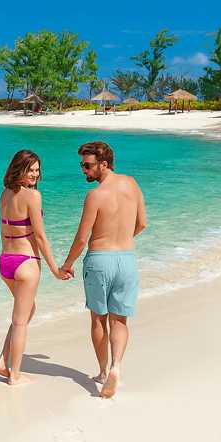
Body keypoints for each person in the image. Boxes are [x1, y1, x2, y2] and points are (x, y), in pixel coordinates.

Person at [59, 141, 145, 398]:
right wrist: (122, 239)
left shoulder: (95, 195)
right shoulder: (132, 184)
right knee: (120, 319)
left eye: (87, 166)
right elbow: (142, 223)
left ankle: (102, 371)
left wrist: (67, 264)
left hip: (99, 259)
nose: (83, 171)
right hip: (127, 259)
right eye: (81, 165)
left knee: (99, 318)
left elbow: (82, 238)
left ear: (103, 164)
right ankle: (117, 366)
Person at [0, 149, 70, 385]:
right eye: (31, 170)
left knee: (26, 312)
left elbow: (4, 231)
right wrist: (55, 269)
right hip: (26, 263)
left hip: (6, 261)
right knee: (20, 320)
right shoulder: (33, 197)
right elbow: (41, 237)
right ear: (19, 170)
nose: (35, 174)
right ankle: (14, 374)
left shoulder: (4, 195)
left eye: (38, 170)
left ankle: (3, 361)